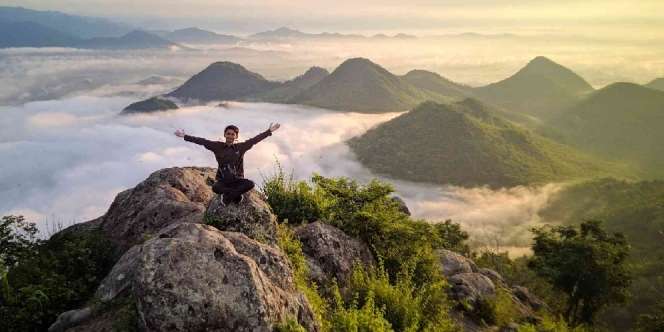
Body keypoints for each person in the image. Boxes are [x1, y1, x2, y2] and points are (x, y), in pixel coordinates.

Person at [174, 123, 280, 204]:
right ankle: (235, 194)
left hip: (237, 179)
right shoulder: (217, 146)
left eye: (232, 134)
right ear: (224, 134)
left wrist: (269, 131)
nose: (230, 136)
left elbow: (254, 140)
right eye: (228, 134)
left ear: (236, 136)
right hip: (223, 180)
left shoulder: (241, 147)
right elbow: (202, 141)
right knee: (215, 188)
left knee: (250, 184)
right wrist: (185, 136)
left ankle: (228, 196)